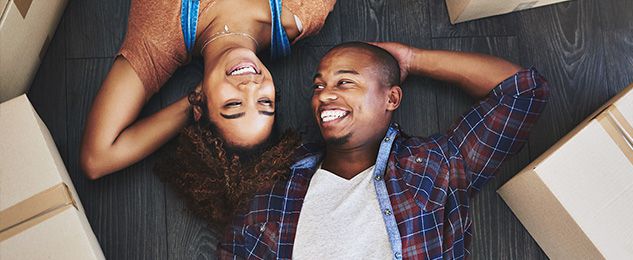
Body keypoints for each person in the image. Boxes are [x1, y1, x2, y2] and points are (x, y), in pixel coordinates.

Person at [218, 41, 550, 259]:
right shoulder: (276, 180)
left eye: (345, 82)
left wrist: (413, 60)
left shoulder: (432, 166)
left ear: (391, 98)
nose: (324, 95)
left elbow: (522, 92)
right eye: (319, 85)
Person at [79, 0, 336, 180]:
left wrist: (193, 101)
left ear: (200, 106)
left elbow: (98, 158)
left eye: (233, 105)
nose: (249, 88)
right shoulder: (306, 10)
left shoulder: (160, 36)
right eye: (264, 102)